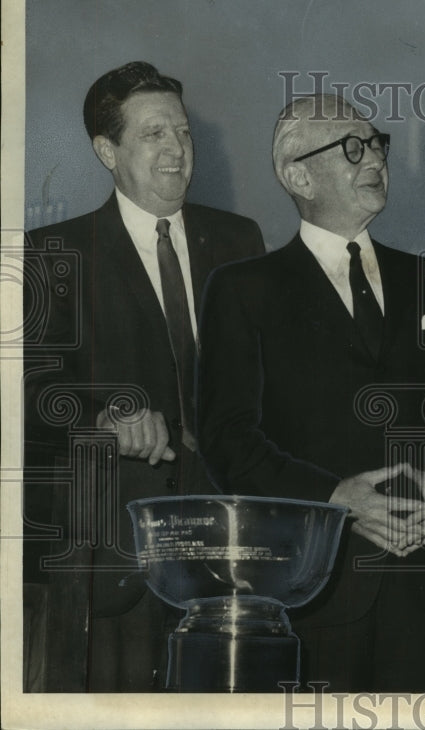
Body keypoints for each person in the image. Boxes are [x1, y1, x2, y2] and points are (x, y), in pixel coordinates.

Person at [197, 93, 425, 691]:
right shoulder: (243, 289)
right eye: (352, 147)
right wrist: (333, 499)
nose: (374, 159)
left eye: (376, 143)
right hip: (315, 594)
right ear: (297, 175)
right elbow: (227, 438)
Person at [22, 61, 265, 691]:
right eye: (155, 134)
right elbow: (27, 396)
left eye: (184, 133)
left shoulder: (240, 240)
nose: (178, 150)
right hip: (113, 555)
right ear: (107, 150)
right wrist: (104, 416)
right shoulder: (53, 255)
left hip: (230, 548)